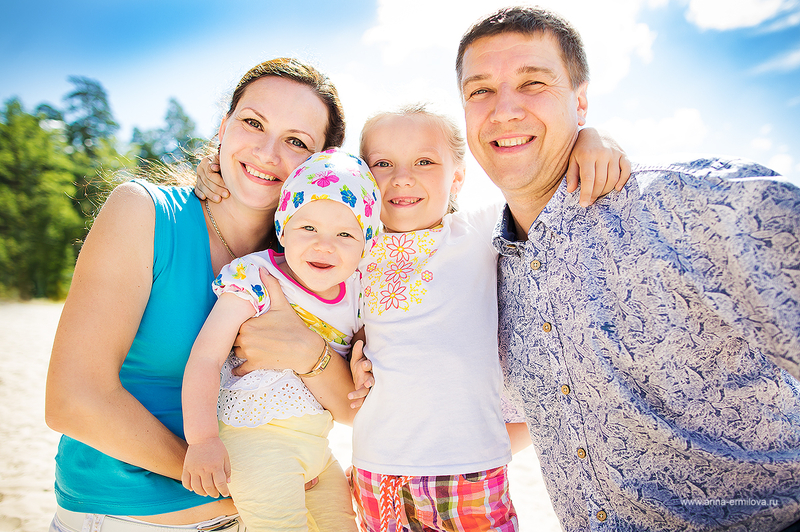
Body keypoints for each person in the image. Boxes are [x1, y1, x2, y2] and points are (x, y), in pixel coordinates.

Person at [456, 6, 800, 532]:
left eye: (533, 83)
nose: (503, 111)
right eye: (480, 90)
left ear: (580, 102)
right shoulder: (485, 271)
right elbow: (504, 414)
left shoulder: (694, 207)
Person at [45, 57, 358, 532]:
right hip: (126, 518)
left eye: (296, 141)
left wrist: (308, 351)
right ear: (223, 128)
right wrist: (238, 480)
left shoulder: (311, 264)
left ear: (321, 164)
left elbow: (349, 410)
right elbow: (73, 401)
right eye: (253, 123)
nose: (267, 152)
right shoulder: (146, 213)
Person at [182, 148, 380, 531]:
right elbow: (206, 357)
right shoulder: (257, 276)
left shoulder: (358, 293)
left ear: (365, 246)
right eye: (308, 228)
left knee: (343, 524)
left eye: (345, 234)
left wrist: (362, 365)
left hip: (318, 446)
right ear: (283, 228)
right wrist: (203, 440)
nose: (324, 245)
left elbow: (363, 356)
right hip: (256, 439)